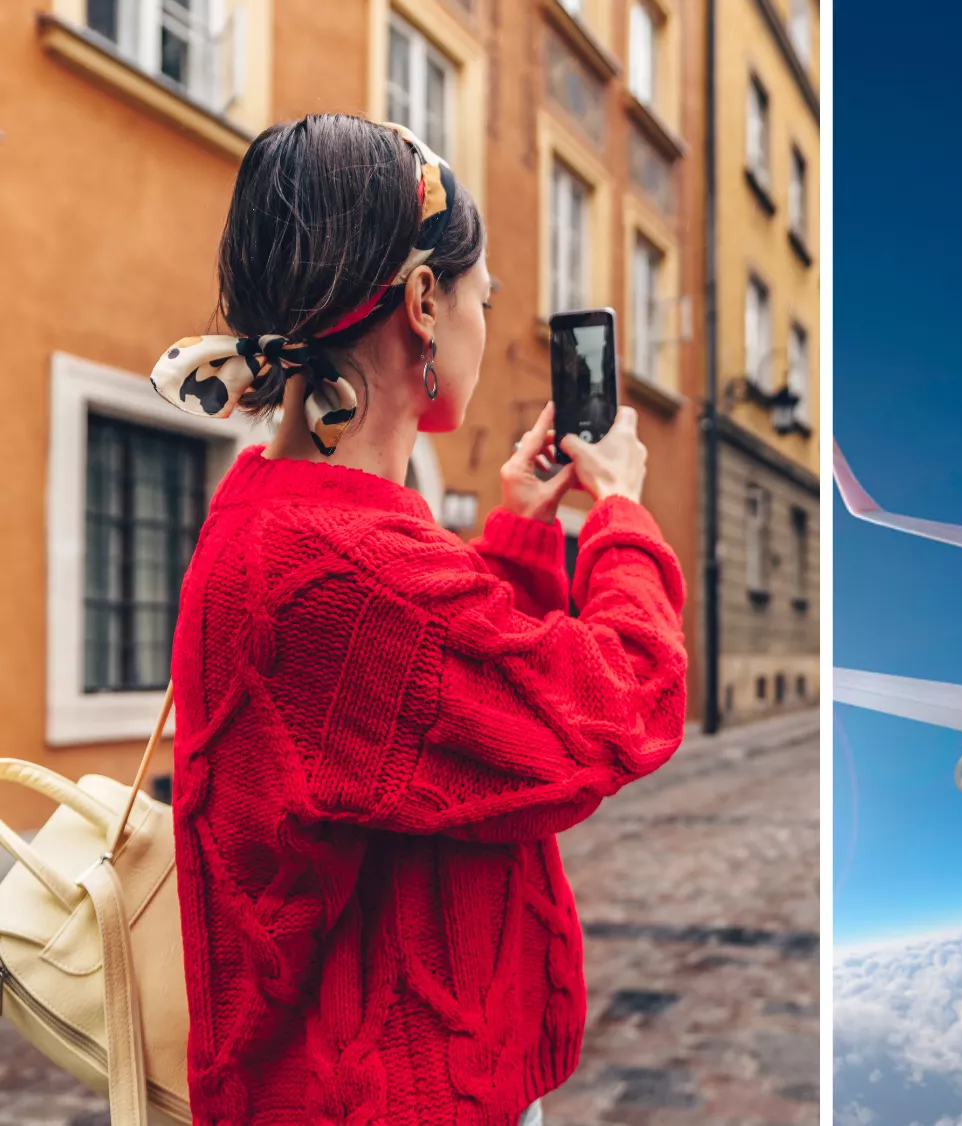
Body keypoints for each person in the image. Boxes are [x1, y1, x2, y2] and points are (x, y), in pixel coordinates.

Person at [148, 115, 687, 1125]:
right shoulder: (345, 569)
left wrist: (523, 535)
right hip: (383, 1099)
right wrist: (620, 516)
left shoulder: (284, 516)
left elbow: (431, 729)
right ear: (426, 302)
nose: (488, 318)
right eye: (484, 295)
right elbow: (619, 706)